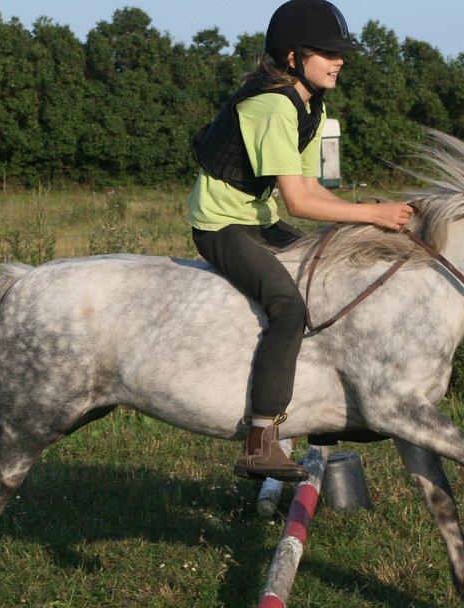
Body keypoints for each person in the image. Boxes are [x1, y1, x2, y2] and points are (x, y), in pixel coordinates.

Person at [186, 0, 414, 482]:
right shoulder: (271, 104)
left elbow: (312, 189)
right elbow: (299, 202)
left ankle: (329, 406)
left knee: (329, 271)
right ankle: (260, 437)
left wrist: (362, 216)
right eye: (327, 52)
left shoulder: (310, 105)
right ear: (293, 57)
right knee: (288, 306)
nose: (339, 60)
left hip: (259, 218)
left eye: (340, 53)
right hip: (222, 224)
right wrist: (373, 215)